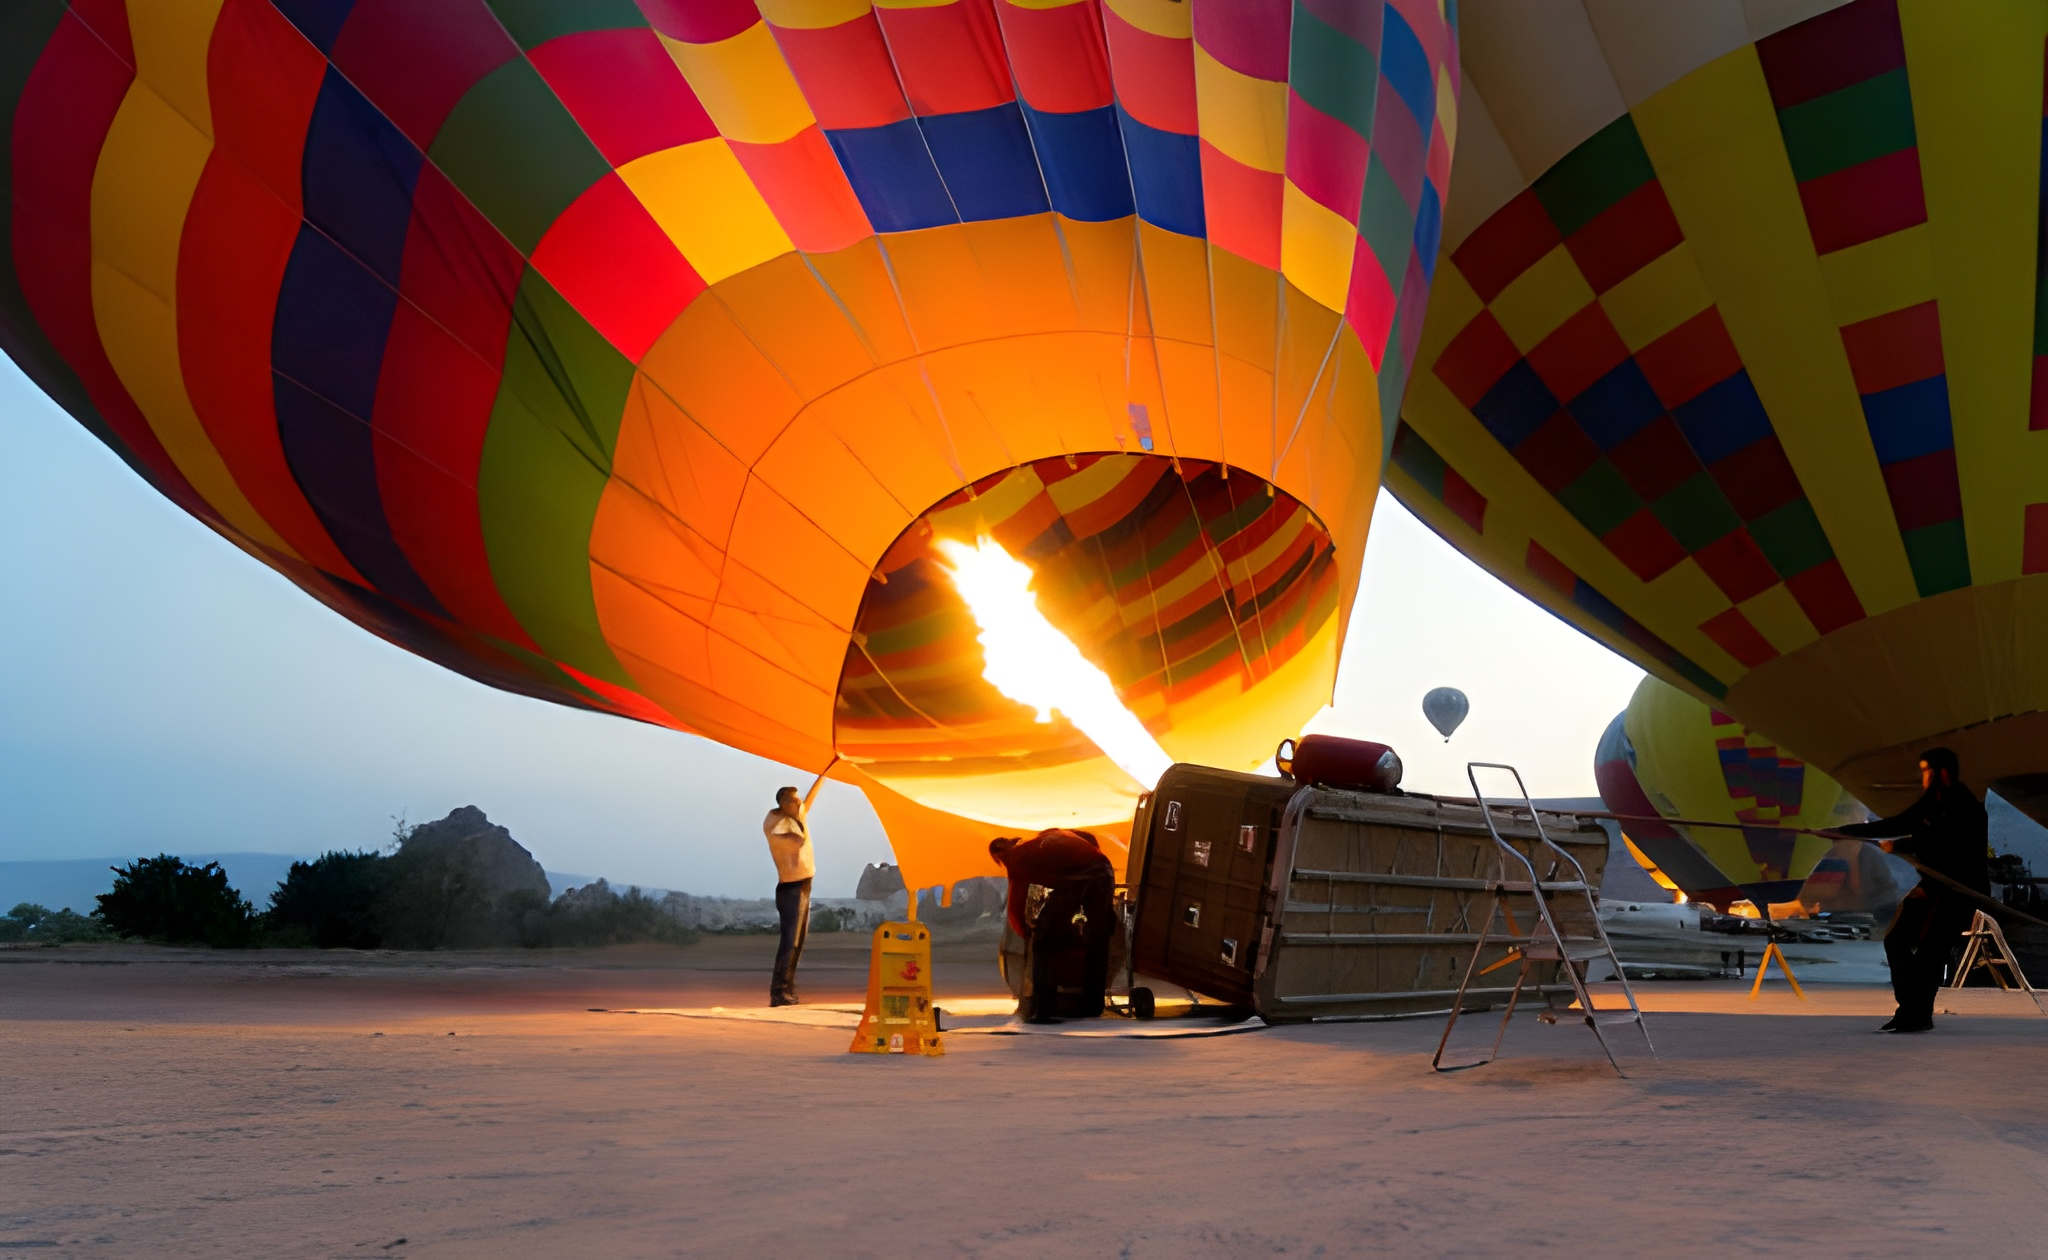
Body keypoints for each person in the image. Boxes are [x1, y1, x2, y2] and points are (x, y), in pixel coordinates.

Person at [1831, 747, 1989, 1033]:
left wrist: (1900, 845)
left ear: (1942, 773)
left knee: (1930, 954)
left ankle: (1916, 1015)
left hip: (1957, 892)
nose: (1923, 777)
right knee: (1897, 941)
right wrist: (1846, 832)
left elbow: (1948, 845)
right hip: (1932, 887)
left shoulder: (1966, 806)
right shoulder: (1932, 803)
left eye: (1927, 771)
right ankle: (1910, 1011)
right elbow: (1900, 823)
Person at [989, 830, 1116, 1022]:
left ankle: (1043, 1007)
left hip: (1075, 877)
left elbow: (1016, 902)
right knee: (1098, 937)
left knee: (1044, 940)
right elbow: (1088, 839)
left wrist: (1025, 930)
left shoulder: (1016, 859)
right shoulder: (1041, 840)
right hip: (1102, 872)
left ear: (1001, 855)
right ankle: (1092, 1004)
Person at [763, 770, 830, 1007]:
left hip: (804, 884)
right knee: (790, 942)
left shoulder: (795, 813)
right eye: (794, 800)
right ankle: (779, 991)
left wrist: (824, 775)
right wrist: (798, 827)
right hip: (791, 887)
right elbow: (795, 839)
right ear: (783, 804)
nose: (799, 802)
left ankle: (788, 988)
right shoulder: (777, 825)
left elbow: (809, 800)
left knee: (798, 941)